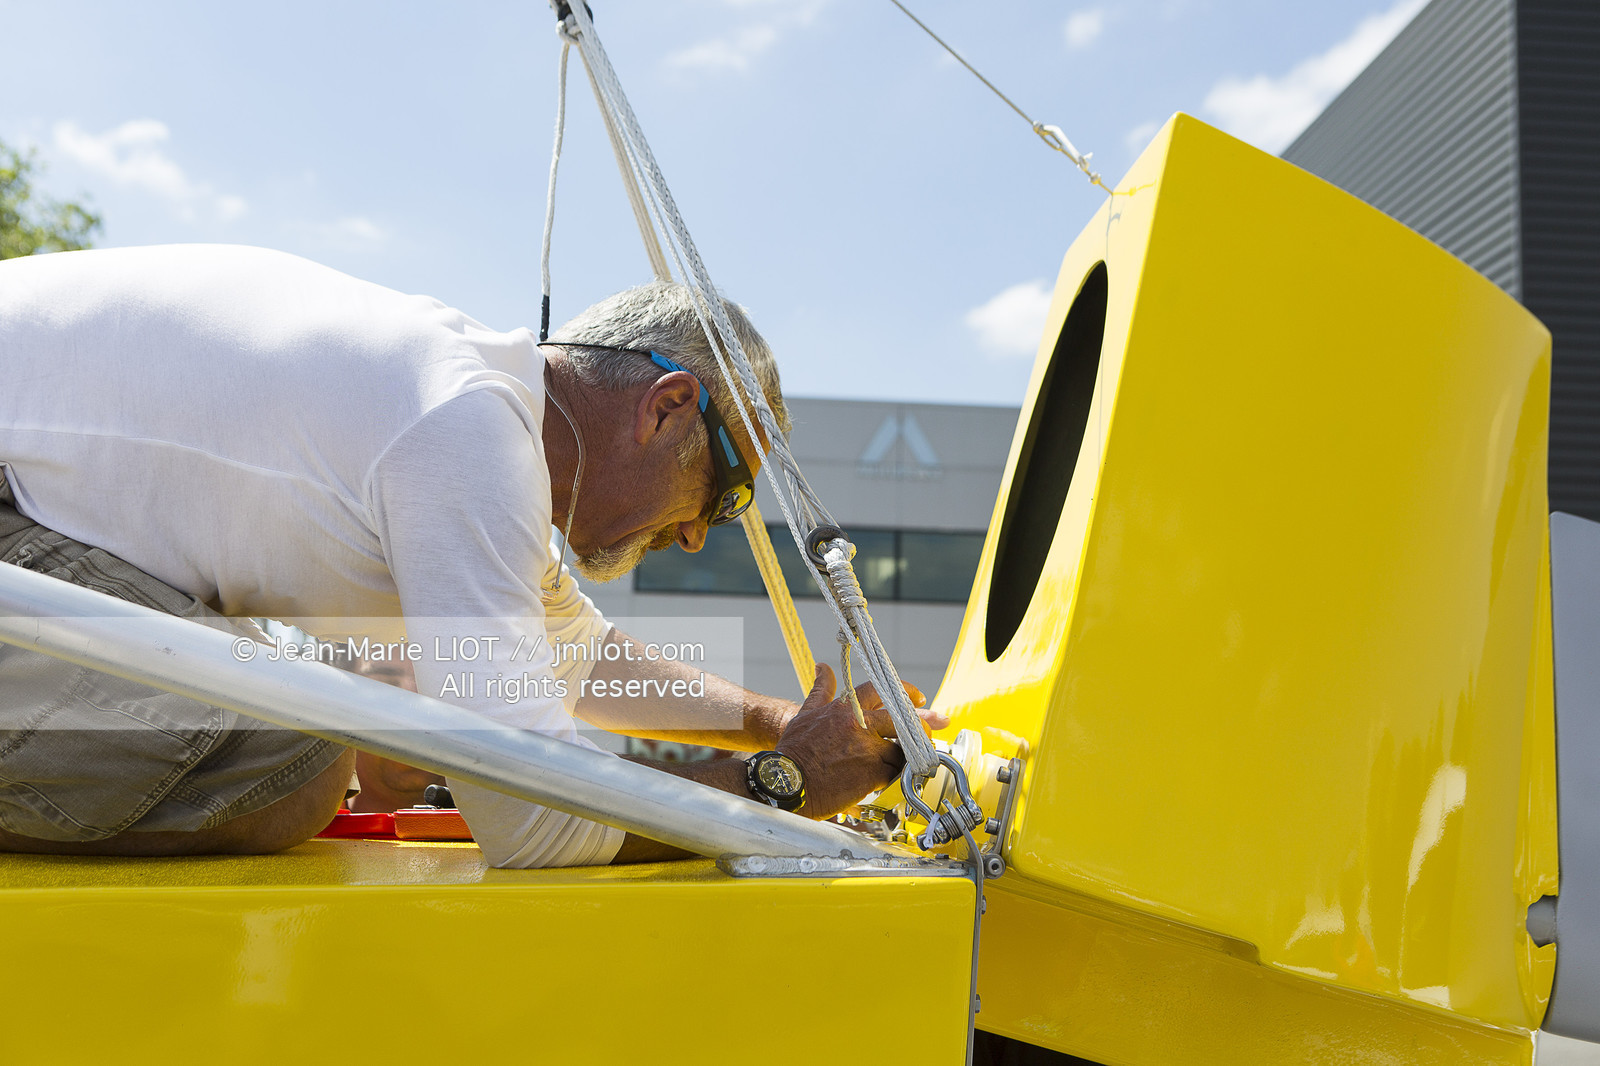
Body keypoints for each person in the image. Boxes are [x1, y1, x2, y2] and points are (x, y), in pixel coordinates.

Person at [0, 244, 941, 866]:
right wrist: (785, 789)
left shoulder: (468, 402)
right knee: (296, 757)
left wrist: (777, 725)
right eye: (726, 492)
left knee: (306, 716)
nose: (700, 532)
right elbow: (533, 820)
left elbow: (572, 655)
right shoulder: (464, 434)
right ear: (667, 408)